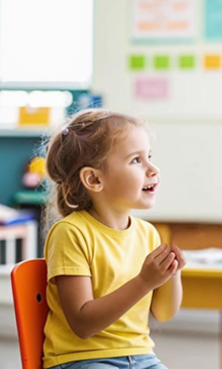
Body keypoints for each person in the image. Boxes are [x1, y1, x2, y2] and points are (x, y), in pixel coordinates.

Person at [42, 109, 186, 369]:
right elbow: (83, 324)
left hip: (142, 357)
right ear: (94, 179)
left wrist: (171, 275)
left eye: (149, 157)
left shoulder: (148, 233)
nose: (153, 169)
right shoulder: (71, 233)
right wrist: (144, 282)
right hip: (81, 360)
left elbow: (164, 314)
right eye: (135, 161)